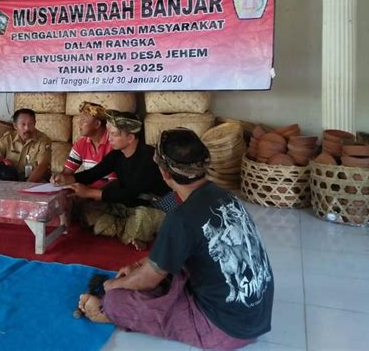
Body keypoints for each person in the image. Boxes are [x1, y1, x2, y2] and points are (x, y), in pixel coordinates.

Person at [77, 128, 274, 350]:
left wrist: (112, 285)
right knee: (157, 274)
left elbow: (150, 279)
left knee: (117, 301)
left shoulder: (181, 217)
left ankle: (107, 311)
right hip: (257, 315)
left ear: (165, 173)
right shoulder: (225, 195)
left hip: (225, 327)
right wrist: (139, 265)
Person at [52, 109, 170, 248]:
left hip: (150, 205)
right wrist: (68, 179)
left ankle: (129, 229)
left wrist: (90, 192)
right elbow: (93, 173)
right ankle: (129, 230)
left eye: (114, 135)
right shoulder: (117, 154)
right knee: (87, 209)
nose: (109, 139)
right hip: (125, 206)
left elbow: (130, 193)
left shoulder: (148, 158)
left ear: (130, 138)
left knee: (143, 217)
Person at [0, 108, 51, 182]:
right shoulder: (8, 139)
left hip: (35, 181)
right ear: (15, 126)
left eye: (30, 124)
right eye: (23, 124)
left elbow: (42, 166)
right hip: (11, 179)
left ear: (35, 124)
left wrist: (27, 185)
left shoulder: (43, 141)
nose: (27, 128)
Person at [54, 101, 116, 188]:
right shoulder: (81, 144)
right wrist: (58, 178)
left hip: (105, 196)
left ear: (97, 124)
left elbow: (114, 184)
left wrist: (88, 193)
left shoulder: (114, 144)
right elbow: (67, 172)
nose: (79, 124)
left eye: (84, 120)